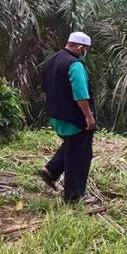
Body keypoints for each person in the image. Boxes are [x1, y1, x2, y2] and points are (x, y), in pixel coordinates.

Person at [38, 32, 96, 203]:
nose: (84, 53)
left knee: (72, 145)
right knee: (79, 154)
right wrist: (89, 117)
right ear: (80, 47)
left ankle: (50, 171)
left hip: (56, 114)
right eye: (85, 50)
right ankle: (74, 196)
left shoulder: (50, 61)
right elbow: (80, 94)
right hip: (75, 117)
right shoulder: (75, 64)